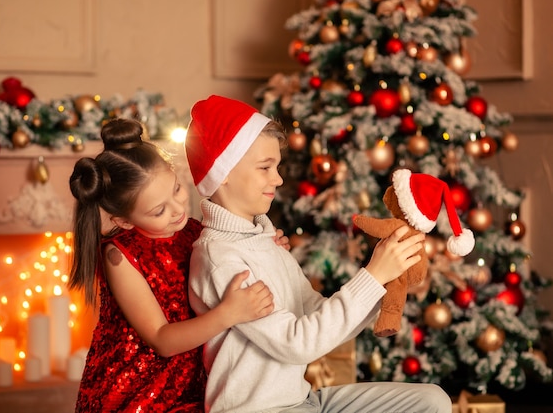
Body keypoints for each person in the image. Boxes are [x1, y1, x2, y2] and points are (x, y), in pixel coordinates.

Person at [184, 95, 453, 413]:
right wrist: (373, 275)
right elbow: (298, 343)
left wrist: (384, 284)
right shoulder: (220, 258)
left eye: (278, 166)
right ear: (224, 172)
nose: (278, 179)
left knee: (431, 401)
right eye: (265, 167)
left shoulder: (266, 240)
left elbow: (318, 317)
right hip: (260, 410)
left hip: (301, 402)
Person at [68, 118, 279, 412]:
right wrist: (229, 313)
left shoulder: (194, 231)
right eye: (158, 210)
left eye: (177, 190)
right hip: (142, 391)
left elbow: (236, 254)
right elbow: (161, 340)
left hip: (195, 378)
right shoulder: (119, 257)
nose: (178, 210)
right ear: (124, 220)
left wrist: (267, 247)